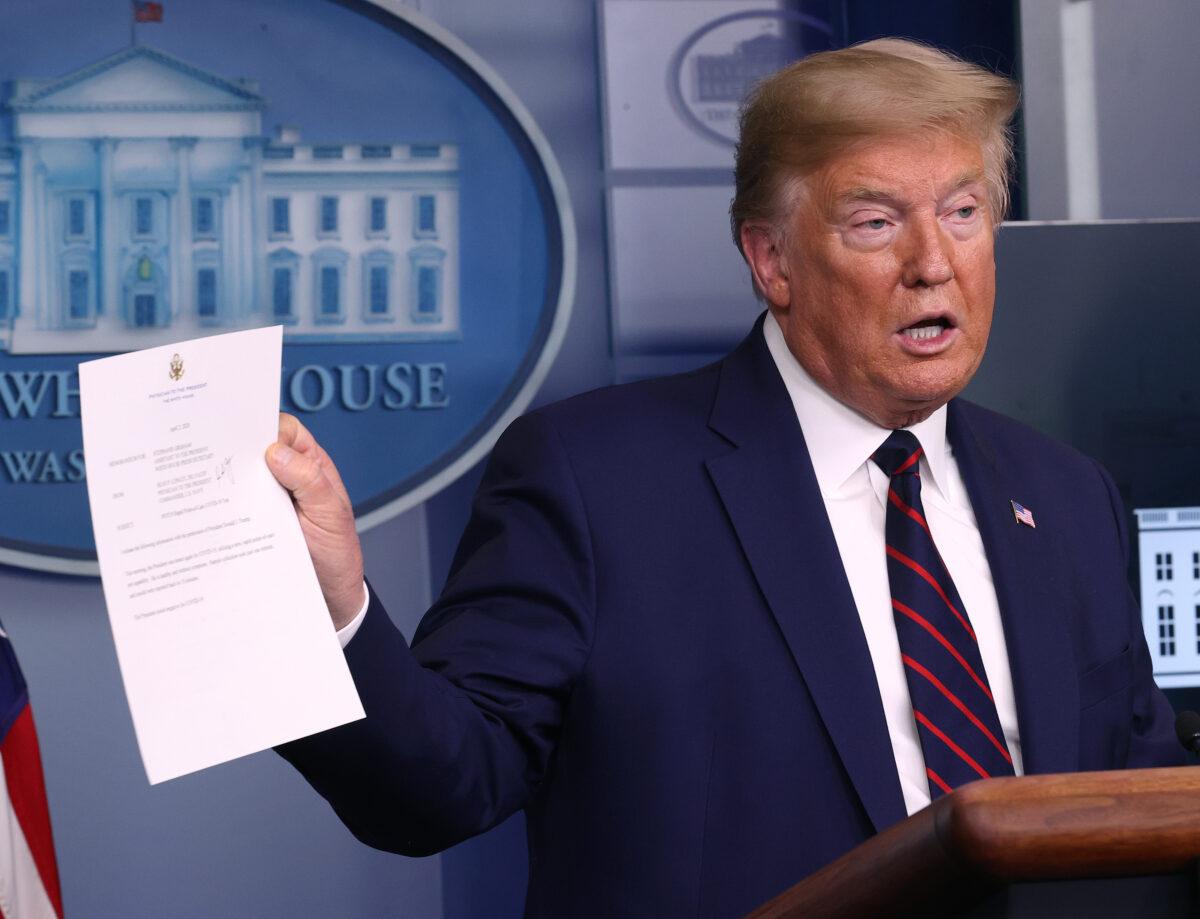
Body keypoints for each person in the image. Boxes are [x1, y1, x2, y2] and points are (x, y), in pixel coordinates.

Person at [267, 39, 1180, 917]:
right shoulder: (595, 482)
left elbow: (1139, 820)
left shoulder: (1068, 498)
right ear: (771, 259)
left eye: (964, 211)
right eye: (875, 222)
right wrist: (335, 613)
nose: (933, 262)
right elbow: (438, 789)